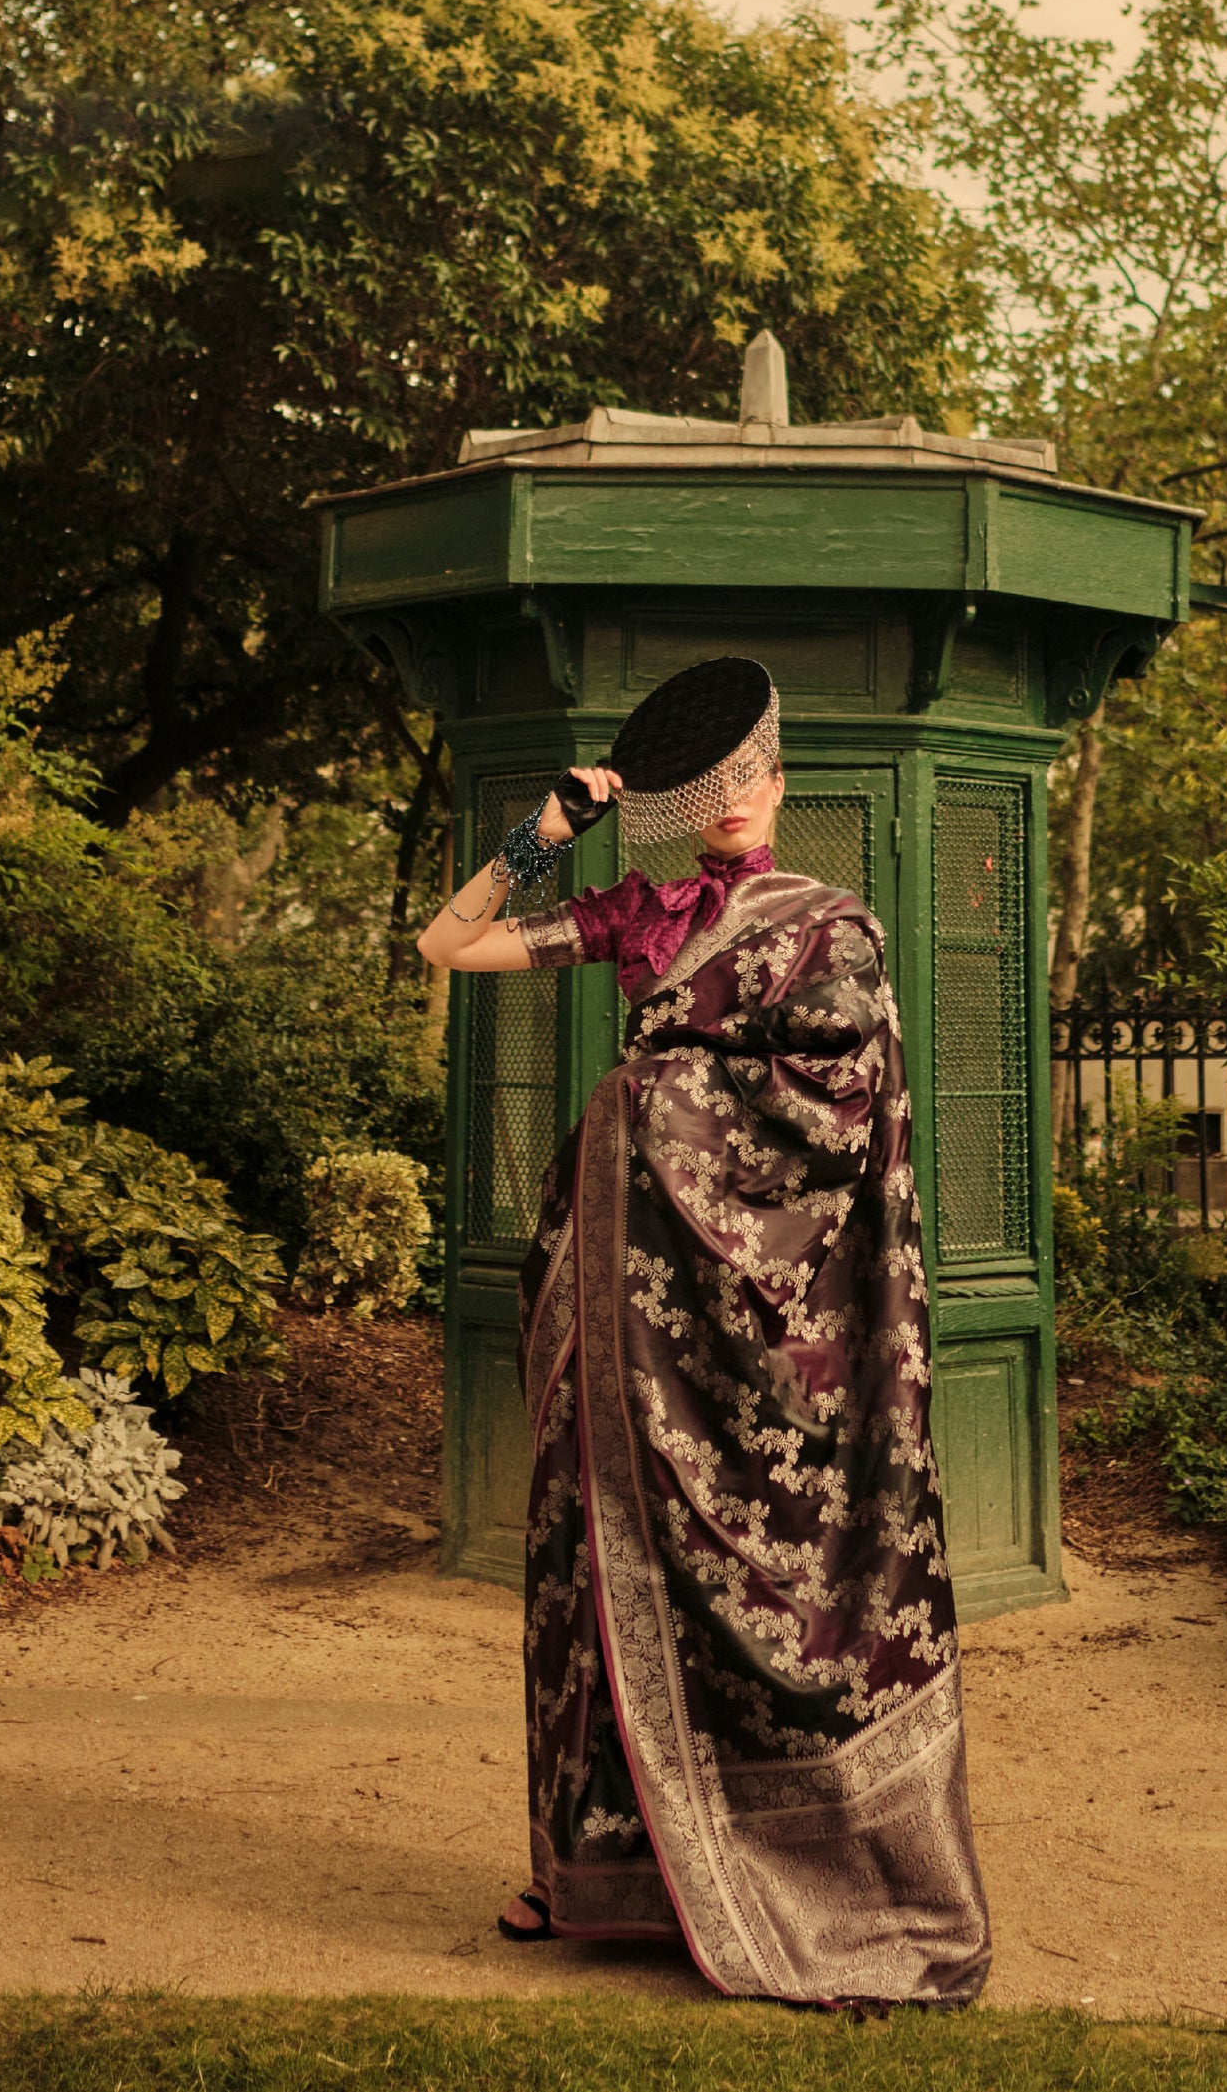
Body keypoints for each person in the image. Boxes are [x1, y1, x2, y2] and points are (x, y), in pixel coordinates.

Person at [417, 657, 990, 2007]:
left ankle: (803, 1870)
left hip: (757, 1327)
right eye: (712, 782)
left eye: (753, 776)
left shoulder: (831, 929)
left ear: (780, 786)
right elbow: (450, 945)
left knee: (763, 1579)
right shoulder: (638, 915)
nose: (734, 798)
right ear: (683, 800)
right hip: (622, 1306)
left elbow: (836, 1110)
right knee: (590, 1565)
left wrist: (656, 1106)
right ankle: (589, 1871)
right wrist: (544, 832)